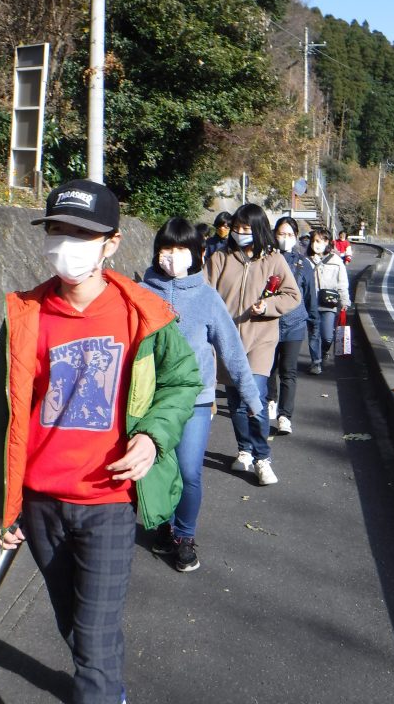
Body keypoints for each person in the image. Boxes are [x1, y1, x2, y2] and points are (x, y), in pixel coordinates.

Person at [0, 179, 203, 704]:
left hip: (108, 501)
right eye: (57, 229)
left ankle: (103, 691)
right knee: (76, 626)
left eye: (82, 233)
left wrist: (151, 436)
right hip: (40, 504)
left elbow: (181, 382)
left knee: (96, 637)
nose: (66, 242)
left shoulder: (145, 315)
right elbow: (5, 419)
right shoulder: (24, 317)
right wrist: (3, 504)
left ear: (112, 243)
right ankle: (106, 687)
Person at [141, 218, 262, 572]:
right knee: (159, 470)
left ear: (198, 253)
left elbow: (232, 350)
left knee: (190, 471)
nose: (172, 256)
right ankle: (164, 525)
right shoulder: (141, 292)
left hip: (195, 400)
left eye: (181, 249)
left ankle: (185, 536)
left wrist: (253, 398)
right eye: (166, 248)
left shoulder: (208, 298)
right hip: (152, 400)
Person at [205, 203, 301, 485]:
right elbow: (205, 292)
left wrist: (268, 305)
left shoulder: (273, 260)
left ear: (258, 230)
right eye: (236, 228)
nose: (239, 233)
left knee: (255, 399)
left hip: (260, 340)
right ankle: (244, 449)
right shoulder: (220, 258)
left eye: (246, 229)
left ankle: (262, 457)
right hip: (227, 341)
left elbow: (292, 295)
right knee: (235, 401)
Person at [266, 216, 317, 435]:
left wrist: (313, 322)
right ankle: (270, 399)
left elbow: (310, 296)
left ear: (296, 237)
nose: (285, 238)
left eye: (289, 235)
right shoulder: (264, 260)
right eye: (281, 234)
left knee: (289, 371)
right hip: (268, 323)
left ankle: (285, 416)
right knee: (268, 368)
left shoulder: (303, 264)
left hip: (294, 324)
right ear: (273, 234)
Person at [306, 227, 350, 375]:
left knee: (327, 336)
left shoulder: (336, 261)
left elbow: (342, 283)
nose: (316, 244)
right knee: (314, 335)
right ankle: (315, 362)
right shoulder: (306, 260)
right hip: (311, 303)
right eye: (313, 241)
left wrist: (344, 301)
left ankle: (325, 351)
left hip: (329, 304)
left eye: (319, 241)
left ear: (327, 242)